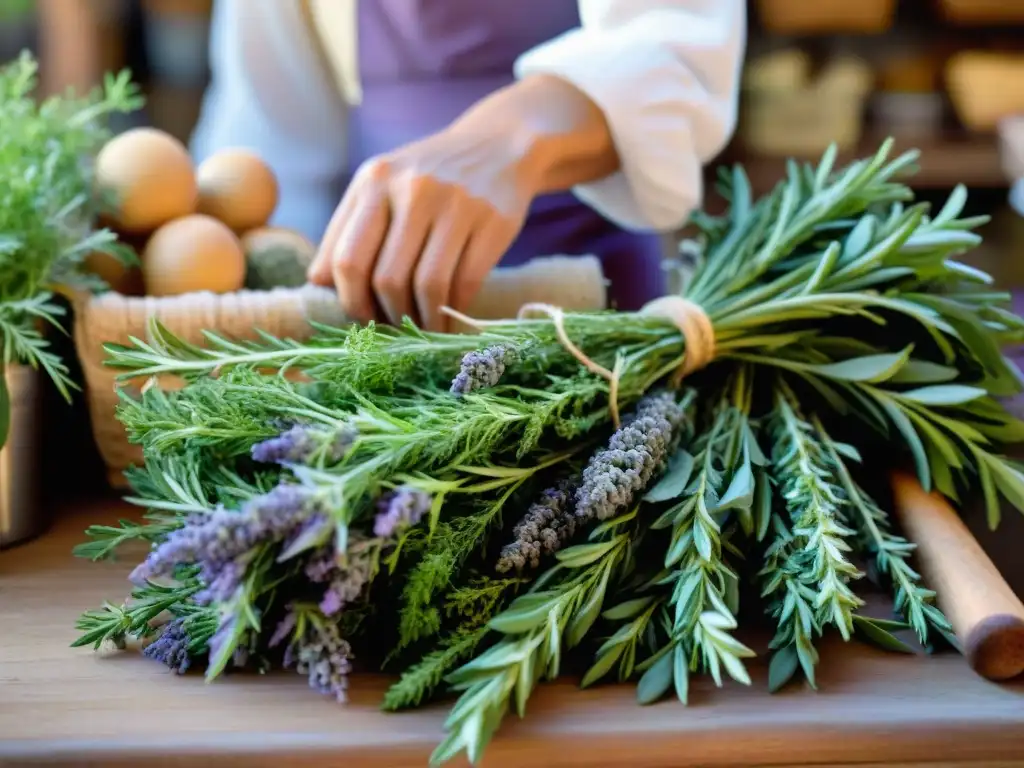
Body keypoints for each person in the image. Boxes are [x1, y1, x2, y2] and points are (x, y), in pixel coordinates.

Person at [191, 0, 745, 331]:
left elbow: (680, 41)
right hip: (383, 324)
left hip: (591, 309)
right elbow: (274, 134)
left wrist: (510, 139)